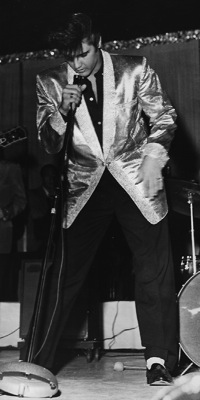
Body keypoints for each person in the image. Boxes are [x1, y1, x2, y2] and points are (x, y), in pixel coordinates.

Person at [21, 13, 178, 385]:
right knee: (63, 274)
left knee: (153, 270)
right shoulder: (50, 81)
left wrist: (155, 154)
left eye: (84, 53)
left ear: (98, 40)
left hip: (136, 178)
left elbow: (165, 116)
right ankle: (36, 362)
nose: (77, 62)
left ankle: (159, 360)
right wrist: (61, 112)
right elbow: (47, 144)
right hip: (83, 186)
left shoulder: (134, 69)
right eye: (70, 55)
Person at [0, 147, 26, 301]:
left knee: (3, 285)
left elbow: (21, 200)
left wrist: (6, 212)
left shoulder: (10, 168)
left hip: (1, 232)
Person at [28, 163, 59, 258]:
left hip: (56, 243)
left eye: (53, 176)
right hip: (39, 242)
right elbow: (37, 215)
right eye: (47, 176)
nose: (51, 179)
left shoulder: (61, 196)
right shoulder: (33, 195)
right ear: (42, 177)